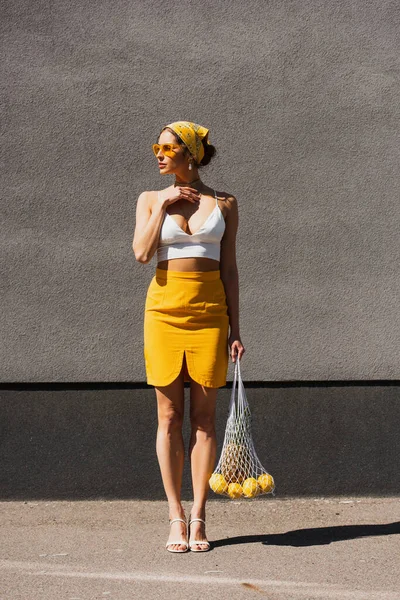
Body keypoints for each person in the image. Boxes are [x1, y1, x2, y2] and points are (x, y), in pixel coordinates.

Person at [132, 120, 245, 553]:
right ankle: (174, 516)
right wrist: (163, 204)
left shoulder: (226, 202)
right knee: (168, 418)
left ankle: (199, 517)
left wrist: (237, 327)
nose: (158, 154)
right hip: (163, 313)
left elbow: (230, 270)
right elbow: (142, 254)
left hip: (210, 314)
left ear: (191, 153)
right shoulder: (149, 198)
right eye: (156, 146)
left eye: (166, 147)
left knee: (203, 419)